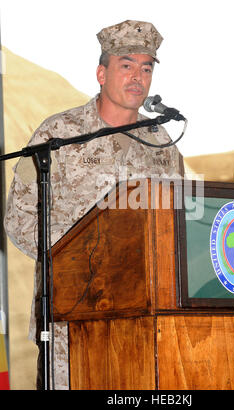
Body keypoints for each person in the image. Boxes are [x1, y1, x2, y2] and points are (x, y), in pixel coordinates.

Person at [4, 19, 184, 389]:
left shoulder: (161, 141)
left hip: (141, 318)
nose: (138, 76)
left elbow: (177, 221)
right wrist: (82, 254)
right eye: (127, 65)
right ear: (102, 73)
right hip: (70, 319)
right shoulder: (59, 133)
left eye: (146, 68)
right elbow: (19, 218)